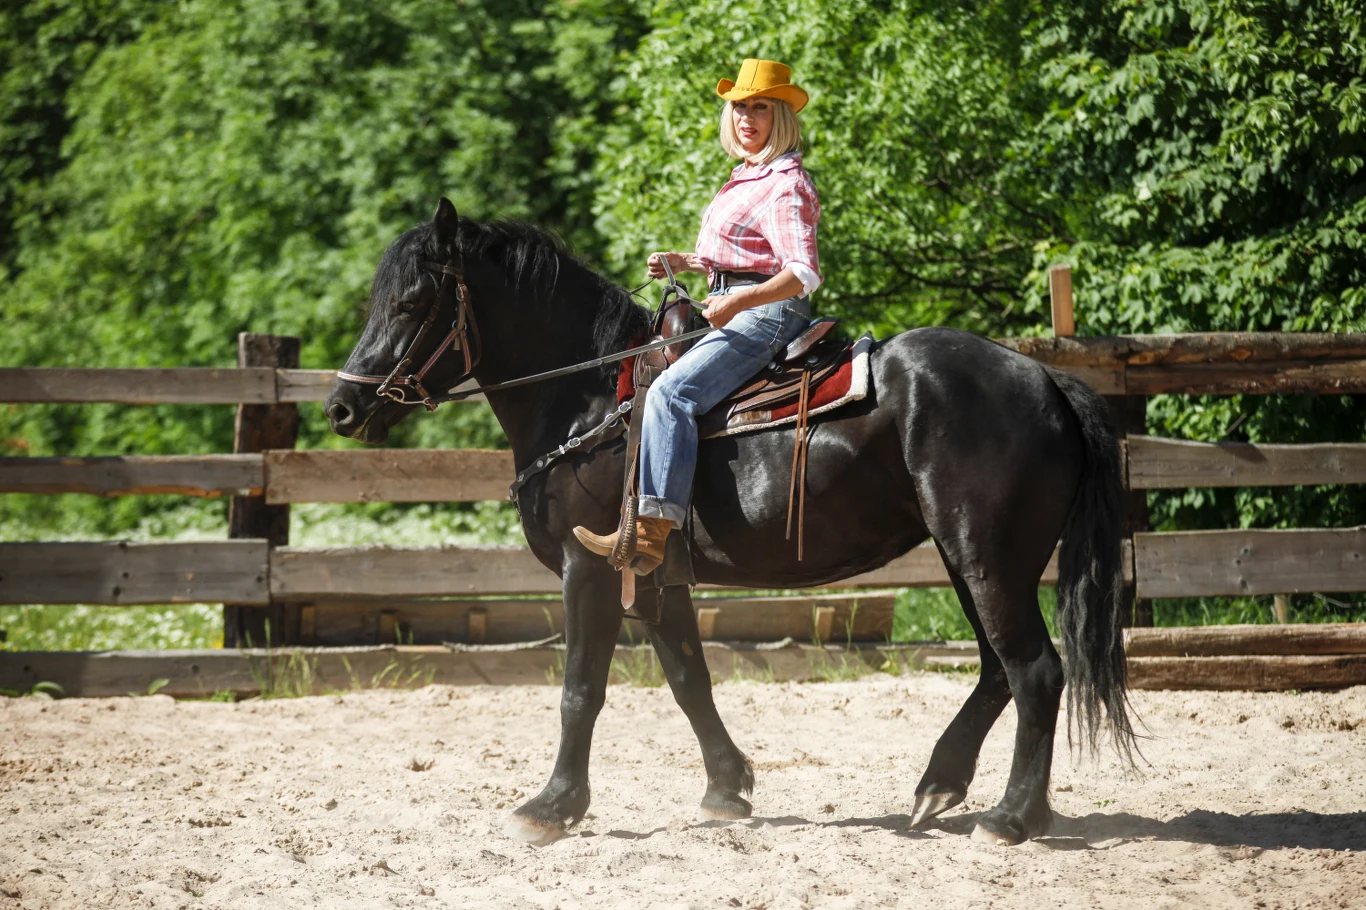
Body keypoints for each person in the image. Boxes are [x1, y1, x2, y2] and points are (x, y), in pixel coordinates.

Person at [575, 58, 822, 574]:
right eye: (739, 107)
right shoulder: (746, 176)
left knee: (671, 392)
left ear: (781, 116)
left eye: (760, 107)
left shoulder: (784, 182)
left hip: (767, 314)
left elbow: (801, 273)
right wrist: (690, 263)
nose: (747, 117)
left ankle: (650, 534)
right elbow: (752, 254)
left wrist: (736, 301)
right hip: (741, 304)